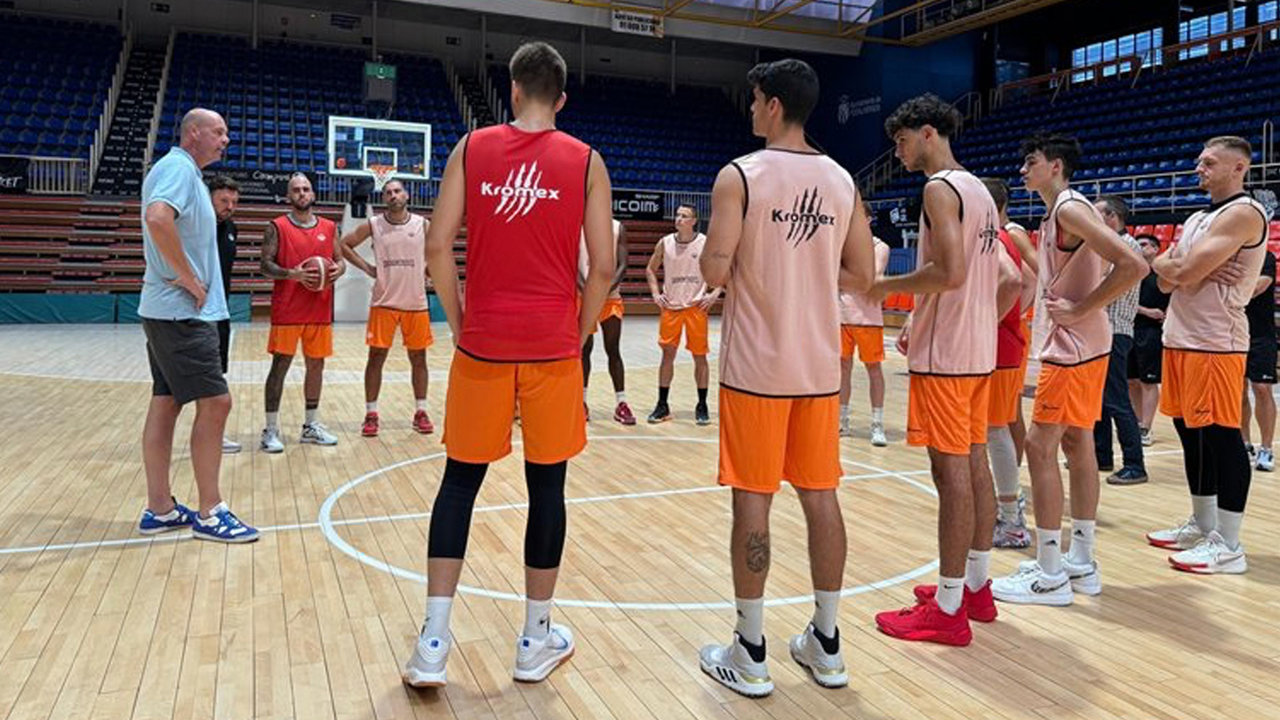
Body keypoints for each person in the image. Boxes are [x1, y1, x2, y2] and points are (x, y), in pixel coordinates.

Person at [401, 41, 615, 688]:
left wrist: (463, 323)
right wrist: (576, 337)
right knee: (547, 490)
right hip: (552, 348)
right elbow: (604, 268)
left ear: (514, 90)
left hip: (484, 344)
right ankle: (534, 640)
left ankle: (433, 643)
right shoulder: (586, 161)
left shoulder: (471, 148)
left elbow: (436, 245)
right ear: (563, 98)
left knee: (459, 484)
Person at [695, 57, 872, 697]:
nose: (750, 110)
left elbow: (714, 269)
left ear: (772, 104)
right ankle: (826, 641)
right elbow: (861, 276)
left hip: (756, 371)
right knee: (821, 498)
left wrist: (751, 262)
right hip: (819, 369)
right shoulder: (842, 180)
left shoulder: (740, 175)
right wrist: (809, 272)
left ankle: (750, 648)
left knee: (753, 500)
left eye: (754, 100)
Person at [867, 94, 1019, 646]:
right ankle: (975, 589)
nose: (899, 152)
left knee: (950, 476)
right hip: (977, 351)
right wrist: (968, 316)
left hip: (948, 358)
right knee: (974, 465)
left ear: (927, 132)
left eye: (903, 141)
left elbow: (949, 273)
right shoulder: (979, 188)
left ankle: (949, 609)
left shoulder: (938, 188)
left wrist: (885, 289)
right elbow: (1010, 278)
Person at [991, 133, 1145, 606]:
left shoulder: (1070, 209)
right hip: (1086, 344)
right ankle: (1083, 559)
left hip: (1074, 345)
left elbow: (1134, 263)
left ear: (1055, 165)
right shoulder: (1061, 210)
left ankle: (1051, 570)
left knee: (1040, 449)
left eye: (1030, 161)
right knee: (1078, 444)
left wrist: (1082, 310)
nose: (1023, 169)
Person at [1147, 136, 1268, 574]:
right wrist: (1174, 265)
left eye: (1209, 162)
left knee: (1222, 437)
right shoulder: (1198, 216)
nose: (1199, 167)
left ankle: (1230, 543)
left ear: (1239, 168)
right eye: (1198, 160)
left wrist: (1179, 267)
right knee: (1189, 433)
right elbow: (1164, 279)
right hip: (1179, 336)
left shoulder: (1244, 213)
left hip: (1216, 340)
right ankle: (1202, 524)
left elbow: (1182, 270)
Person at [136, 108, 257, 543]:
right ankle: (210, 512)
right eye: (220, 131)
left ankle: (160, 508)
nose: (226, 139)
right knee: (217, 403)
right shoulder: (178, 169)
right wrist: (189, 277)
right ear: (193, 133)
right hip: (182, 313)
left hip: (167, 310)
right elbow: (157, 218)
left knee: (166, 402)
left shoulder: (183, 172)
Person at [339, 179, 435, 437]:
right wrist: (367, 268)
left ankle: (421, 411)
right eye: (388, 192)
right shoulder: (374, 224)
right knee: (376, 359)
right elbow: (343, 244)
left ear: (406, 194)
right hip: (384, 302)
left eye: (397, 191)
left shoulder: (423, 224)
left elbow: (438, 251)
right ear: (384, 198)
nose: (393, 195)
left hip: (416, 303)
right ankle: (371, 414)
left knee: (419, 359)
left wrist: (429, 269)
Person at [258, 173, 345, 452]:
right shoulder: (277, 226)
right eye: (296, 189)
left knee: (316, 365)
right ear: (289, 196)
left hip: (319, 308)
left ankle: (310, 426)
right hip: (288, 309)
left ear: (313, 194)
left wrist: (339, 269)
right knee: (280, 366)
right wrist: (291, 274)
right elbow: (265, 265)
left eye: (306, 189)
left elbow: (340, 260)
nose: (302, 193)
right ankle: (270, 430)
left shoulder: (331, 227)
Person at [982, 178, 1038, 549]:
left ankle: (1011, 519)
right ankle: (1005, 508)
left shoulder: (1000, 237)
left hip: (1000, 346)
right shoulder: (1002, 237)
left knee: (995, 429)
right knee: (998, 426)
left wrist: (993, 320)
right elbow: (1030, 281)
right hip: (1004, 342)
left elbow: (1017, 281)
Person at [646, 205, 720, 425]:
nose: (678, 219)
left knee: (700, 357)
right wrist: (655, 294)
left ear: (694, 221)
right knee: (667, 356)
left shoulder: (705, 242)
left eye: (684, 216)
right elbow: (651, 269)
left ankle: (702, 405)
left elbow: (726, 268)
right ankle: (662, 405)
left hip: (696, 307)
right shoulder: (665, 242)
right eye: (677, 215)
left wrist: (715, 293)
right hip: (671, 307)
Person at [1092, 196, 1148, 485]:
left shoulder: (1126, 247)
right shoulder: (1113, 247)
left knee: (1116, 399)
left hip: (1116, 330)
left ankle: (1135, 464)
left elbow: (1104, 287)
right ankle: (1101, 455)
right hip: (1105, 330)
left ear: (1112, 218)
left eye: (1096, 214)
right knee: (1099, 401)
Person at [838, 201, 890, 445]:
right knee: (842, 369)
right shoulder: (840, 245)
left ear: (868, 219)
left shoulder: (879, 247)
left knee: (873, 370)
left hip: (868, 318)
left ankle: (877, 424)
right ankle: (842, 420)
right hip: (841, 316)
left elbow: (869, 280)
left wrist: (846, 279)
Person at [580, 218, 636, 424]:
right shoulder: (576, 225)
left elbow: (622, 264)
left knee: (613, 349)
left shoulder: (616, 227)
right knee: (584, 350)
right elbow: (571, 262)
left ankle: (621, 403)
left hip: (610, 296)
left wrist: (605, 289)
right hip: (582, 294)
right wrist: (588, 291)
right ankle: (581, 402)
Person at [209, 174, 242, 454]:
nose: (229, 206)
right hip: (194, 313)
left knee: (217, 375)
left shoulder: (232, 228)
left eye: (233, 201)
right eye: (223, 200)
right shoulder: (197, 226)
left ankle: (213, 436)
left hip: (220, 312)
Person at [1128, 234, 1168, 447]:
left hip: (1152, 332)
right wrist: (1144, 310)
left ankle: (1146, 426)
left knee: (1148, 381)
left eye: (1144, 244)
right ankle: (1137, 421)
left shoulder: (1163, 274)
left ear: (1155, 249)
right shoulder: (1131, 271)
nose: (1140, 247)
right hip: (1129, 328)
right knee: (1131, 380)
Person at [1242, 246, 1277, 471]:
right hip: (1232, 332)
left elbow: (1256, 288)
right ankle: (1243, 443)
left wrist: (1228, 284)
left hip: (1261, 335)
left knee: (1262, 388)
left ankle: (1266, 447)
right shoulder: (1228, 253)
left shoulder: (1266, 256)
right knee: (1236, 390)